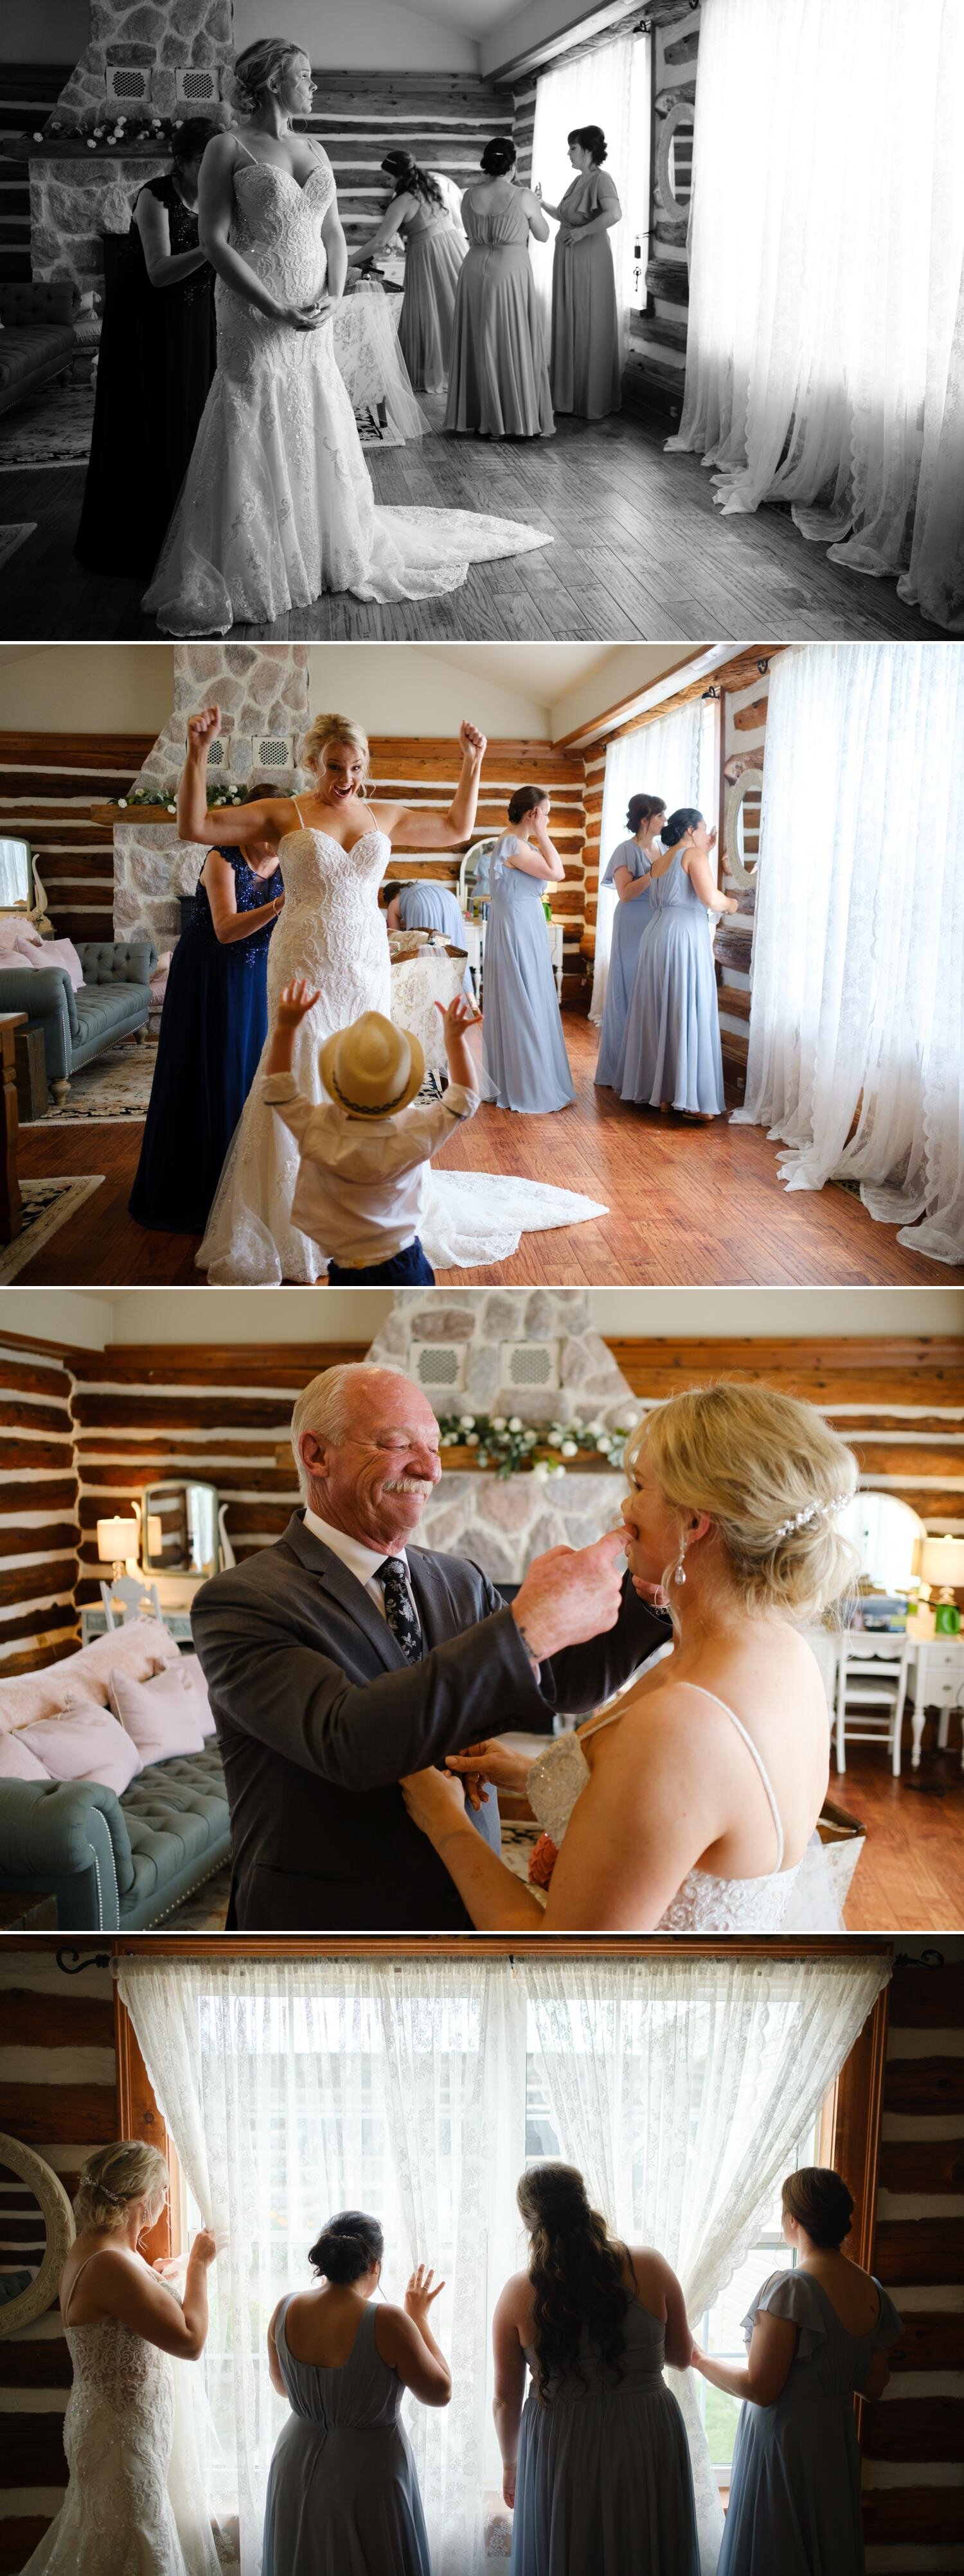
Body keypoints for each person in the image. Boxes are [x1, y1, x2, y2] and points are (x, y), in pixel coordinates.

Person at [189, 1359, 672, 1930]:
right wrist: (527, 1627)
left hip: (471, 1902)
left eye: (436, 1449)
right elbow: (347, 1738)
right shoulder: (241, 1601)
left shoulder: (458, 1578)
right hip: (331, 1922)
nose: (428, 1471)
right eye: (397, 1445)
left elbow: (561, 1683)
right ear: (316, 1454)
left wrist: (648, 1600)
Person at [401, 1379, 859, 1931]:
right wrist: (535, 1775)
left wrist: (446, 1821)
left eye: (640, 1485)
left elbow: (563, 1962)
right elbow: (689, 1811)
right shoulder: (783, 1651)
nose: (625, 1505)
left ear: (695, 1522)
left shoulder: (681, 1723)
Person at [143, 40, 550, 635]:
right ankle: (258, 560)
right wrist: (275, 308)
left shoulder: (315, 148)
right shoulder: (226, 148)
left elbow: (332, 232)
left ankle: (323, 544)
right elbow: (215, 243)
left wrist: (333, 294)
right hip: (255, 315)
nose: (314, 86)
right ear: (272, 80)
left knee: (313, 413)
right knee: (254, 410)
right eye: (305, 75)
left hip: (312, 316)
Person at [186, 705, 484, 1283]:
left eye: (353, 767)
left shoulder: (384, 814)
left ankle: (371, 1204)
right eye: (332, 767)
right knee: (299, 1068)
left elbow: (456, 829)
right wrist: (198, 753)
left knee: (365, 1070)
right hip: (303, 960)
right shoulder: (284, 812)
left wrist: (472, 763)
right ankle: (295, 1227)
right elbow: (196, 827)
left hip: (364, 964)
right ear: (311, 762)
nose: (344, 779)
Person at [691, 2166, 902, 2575]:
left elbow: (761, 2387)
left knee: (778, 2548)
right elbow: (874, 2385)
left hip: (785, 2444)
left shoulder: (790, 2287)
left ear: (794, 2221)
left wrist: (701, 2362)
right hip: (833, 2441)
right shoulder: (871, 2290)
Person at [21, 2142, 218, 2576]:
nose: (166, 2202)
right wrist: (200, 2267)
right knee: (130, 2536)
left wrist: (164, 2277)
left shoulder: (100, 2248)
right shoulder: (112, 2263)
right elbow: (190, 2342)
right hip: (119, 2430)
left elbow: (128, 2311)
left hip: (117, 2421)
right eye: (164, 2191)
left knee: (114, 2536)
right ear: (141, 2199)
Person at [494, 2166, 699, 2576]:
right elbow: (680, 2355)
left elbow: (505, 2399)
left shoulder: (519, 2292)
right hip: (645, 2428)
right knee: (644, 2543)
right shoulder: (650, 2266)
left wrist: (510, 2465)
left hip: (561, 2437)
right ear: (584, 2203)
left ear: (529, 2222)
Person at [260, 976, 481, 1284]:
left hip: (348, 1270)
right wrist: (454, 1040)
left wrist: (285, 1028)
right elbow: (465, 1097)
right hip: (405, 1263)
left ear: (337, 1081)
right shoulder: (416, 1131)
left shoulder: (318, 1129)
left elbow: (277, 1089)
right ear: (403, 1086)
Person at [263, 2210, 447, 2576]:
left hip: (295, 2460)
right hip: (367, 2468)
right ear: (375, 2265)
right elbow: (439, 2392)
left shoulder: (285, 2308)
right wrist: (420, 2318)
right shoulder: (389, 2321)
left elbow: (284, 2388)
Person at [75, 116, 218, 578]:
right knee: (153, 417)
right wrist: (212, 248)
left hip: (197, 319)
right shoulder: (155, 197)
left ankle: (189, 528)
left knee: (193, 414)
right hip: (146, 324)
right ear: (183, 160)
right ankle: (145, 535)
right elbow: (157, 272)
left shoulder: (218, 199)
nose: (213, 170)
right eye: (204, 161)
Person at [128, 822, 283, 1234]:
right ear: (251, 827)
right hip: (208, 975)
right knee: (211, 1066)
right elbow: (225, 929)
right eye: (271, 829)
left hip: (254, 975)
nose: (279, 838)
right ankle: (198, 1190)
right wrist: (281, 904)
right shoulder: (222, 858)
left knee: (248, 1066)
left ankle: (243, 1182)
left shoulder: (285, 862)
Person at [614, 806, 738, 1118]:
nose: (706, 835)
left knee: (663, 1010)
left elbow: (684, 888)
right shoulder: (692, 856)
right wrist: (732, 903)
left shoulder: (662, 860)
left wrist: (705, 853)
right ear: (690, 830)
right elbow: (709, 898)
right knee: (685, 1007)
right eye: (703, 829)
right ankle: (691, 1100)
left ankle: (667, 1094)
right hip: (684, 937)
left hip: (656, 936)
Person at [445, 137, 554, 439]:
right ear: (513, 165)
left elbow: (466, 230)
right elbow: (543, 235)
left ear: (487, 164)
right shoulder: (523, 195)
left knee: (480, 339)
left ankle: (480, 415)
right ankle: (509, 419)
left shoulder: (468, 196)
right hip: (509, 270)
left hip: (474, 267)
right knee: (509, 338)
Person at [481, 788, 575, 1113]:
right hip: (516, 926)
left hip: (523, 921)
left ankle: (524, 1076)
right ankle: (527, 1084)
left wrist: (540, 834)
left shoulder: (519, 843)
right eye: (545, 812)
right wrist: (544, 833)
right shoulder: (511, 844)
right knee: (523, 998)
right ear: (532, 813)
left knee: (529, 994)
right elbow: (558, 873)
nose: (547, 818)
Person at [355, 152, 467, 394]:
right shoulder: (429, 188)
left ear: (397, 175)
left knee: (428, 311)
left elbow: (379, 242)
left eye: (387, 177)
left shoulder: (402, 201)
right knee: (451, 308)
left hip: (429, 254)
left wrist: (348, 261)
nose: (386, 182)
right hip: (453, 247)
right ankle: (459, 369)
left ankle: (434, 371)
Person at [594, 794, 681, 1090]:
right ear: (645, 820)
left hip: (657, 921)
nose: (665, 821)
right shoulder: (625, 851)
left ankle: (650, 1069)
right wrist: (654, 872)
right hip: (632, 922)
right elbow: (625, 893)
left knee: (652, 990)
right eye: (660, 816)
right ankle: (623, 1068)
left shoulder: (663, 848)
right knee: (630, 988)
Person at [540, 125, 622, 420]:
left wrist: (584, 232)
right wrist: (541, 203)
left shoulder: (602, 179)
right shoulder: (578, 180)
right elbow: (566, 216)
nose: (568, 153)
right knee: (569, 321)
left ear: (587, 150)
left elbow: (614, 214)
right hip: (569, 257)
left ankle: (590, 398)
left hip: (589, 257)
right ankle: (568, 397)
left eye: (572, 148)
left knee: (587, 320)